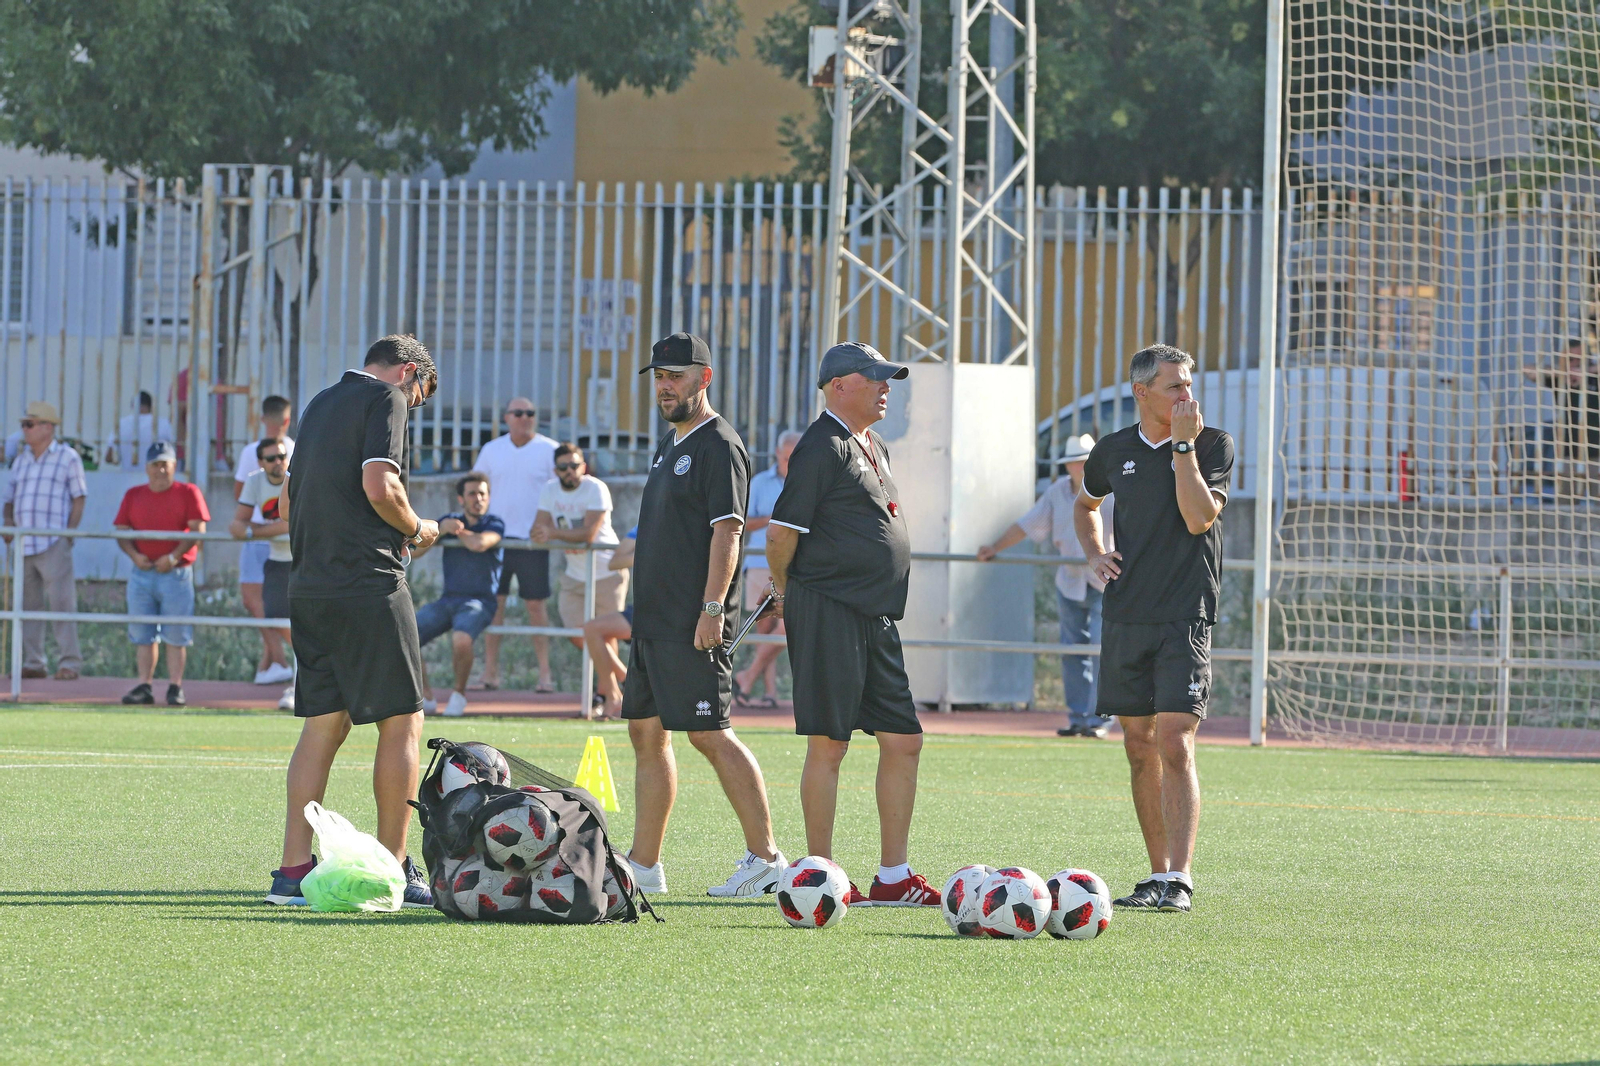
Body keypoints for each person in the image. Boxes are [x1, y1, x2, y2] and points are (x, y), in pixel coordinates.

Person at [266, 335, 440, 908]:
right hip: (368, 584)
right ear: (409, 373)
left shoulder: (318, 403)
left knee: (323, 727)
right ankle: (394, 867)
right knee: (403, 722)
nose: (413, 407)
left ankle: (292, 873)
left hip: (309, 586)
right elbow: (380, 485)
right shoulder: (385, 398)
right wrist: (418, 529)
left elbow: (286, 504)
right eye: (419, 396)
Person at [765, 341, 940, 907]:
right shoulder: (821, 445)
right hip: (829, 609)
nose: (886, 388)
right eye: (875, 378)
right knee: (829, 743)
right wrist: (786, 593)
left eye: (887, 378)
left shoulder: (873, 442)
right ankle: (820, 875)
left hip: (875, 614)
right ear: (839, 386)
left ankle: (894, 876)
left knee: (904, 740)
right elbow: (780, 534)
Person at [620, 332, 786, 898]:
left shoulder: (720, 445)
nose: (665, 387)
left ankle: (766, 860)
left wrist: (712, 608)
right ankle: (644, 865)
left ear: (704, 378)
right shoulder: (669, 444)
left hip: (692, 621)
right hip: (653, 619)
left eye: (676, 376)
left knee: (710, 733)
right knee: (646, 733)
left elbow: (728, 531)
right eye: (659, 377)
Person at [1075, 343, 1233, 915]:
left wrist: (1183, 448)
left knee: (1175, 741)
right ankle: (1156, 874)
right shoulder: (1113, 450)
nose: (1187, 394)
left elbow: (1198, 517)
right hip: (1126, 615)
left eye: (1189, 383)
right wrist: (1095, 553)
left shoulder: (1212, 444)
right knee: (1138, 745)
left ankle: (1180, 880)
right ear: (1142, 392)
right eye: (1175, 386)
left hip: (1185, 613)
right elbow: (1085, 504)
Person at [978, 432, 1115, 738]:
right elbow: (1028, 524)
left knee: (1102, 650)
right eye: (1074, 462)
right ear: (1066, 466)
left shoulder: (1112, 491)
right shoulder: (1057, 493)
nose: (1079, 467)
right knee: (1072, 652)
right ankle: (1079, 717)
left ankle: (1100, 719)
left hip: (1106, 581)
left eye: (1084, 461)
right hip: (1070, 581)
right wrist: (995, 547)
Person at [113, 442, 209, 707]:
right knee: (142, 633)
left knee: (177, 634)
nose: (160, 470)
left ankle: (175, 687)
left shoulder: (188, 492)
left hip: (176, 573)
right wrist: (135, 557)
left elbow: (198, 530)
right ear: (147, 468)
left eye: (165, 464)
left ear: (174, 466)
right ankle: (144, 685)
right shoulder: (133, 495)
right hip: (142, 572)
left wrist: (173, 557)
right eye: (155, 464)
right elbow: (121, 531)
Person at [473, 397, 559, 691]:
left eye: (530, 413)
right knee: (494, 607)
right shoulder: (491, 450)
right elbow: (476, 488)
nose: (525, 418)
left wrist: (554, 529)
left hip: (532, 542)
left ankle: (545, 675)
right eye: (518, 413)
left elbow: (562, 493)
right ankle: (490, 674)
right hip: (495, 540)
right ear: (506, 418)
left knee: (536, 607)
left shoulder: (550, 450)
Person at [2, 401, 87, 681]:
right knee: (27, 606)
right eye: (24, 425)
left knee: (62, 603)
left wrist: (69, 535)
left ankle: (69, 662)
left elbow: (79, 497)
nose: (24, 430)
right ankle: (33, 661)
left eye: (29, 424)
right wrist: (9, 523)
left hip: (53, 541)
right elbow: (9, 499)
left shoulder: (68, 457)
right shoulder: (21, 460)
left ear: (47, 427)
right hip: (23, 544)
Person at [411, 472, 504, 719]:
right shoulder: (448, 520)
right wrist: (441, 530)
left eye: (482, 494)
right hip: (448, 600)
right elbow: (414, 552)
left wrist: (458, 532)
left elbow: (479, 543)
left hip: (480, 602)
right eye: (472, 493)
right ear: (461, 499)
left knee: (461, 640)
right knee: (406, 634)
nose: (478, 498)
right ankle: (426, 696)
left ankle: (458, 695)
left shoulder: (495, 522)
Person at [532, 443, 623, 651]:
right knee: (574, 632)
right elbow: (537, 530)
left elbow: (588, 535)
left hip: (607, 572)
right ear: (556, 471)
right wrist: (541, 533)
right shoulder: (549, 489)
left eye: (574, 466)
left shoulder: (596, 487)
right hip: (574, 575)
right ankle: (610, 669)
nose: (569, 471)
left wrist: (551, 533)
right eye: (563, 467)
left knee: (607, 635)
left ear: (583, 466)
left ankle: (607, 673)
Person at [733, 429, 801, 708]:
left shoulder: (807, 481)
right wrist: (776, 519)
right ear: (777, 453)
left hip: (795, 565)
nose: (790, 463)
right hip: (761, 563)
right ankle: (769, 693)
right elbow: (742, 523)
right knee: (765, 629)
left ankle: (747, 677)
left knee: (787, 626)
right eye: (787, 457)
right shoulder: (760, 482)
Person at [230, 438, 295, 711]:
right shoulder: (255, 481)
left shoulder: (297, 477)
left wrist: (255, 531)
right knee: (274, 617)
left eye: (282, 456)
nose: (278, 462)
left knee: (306, 623)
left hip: (304, 559)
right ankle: (308, 671)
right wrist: (257, 530)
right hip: (277, 560)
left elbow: (294, 523)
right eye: (271, 458)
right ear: (260, 463)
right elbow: (237, 525)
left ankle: (303, 682)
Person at [1523, 338, 1598, 496]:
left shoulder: (1595, 377)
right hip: (1568, 452)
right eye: (1570, 359)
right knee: (1566, 501)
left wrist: (1587, 372)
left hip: (1596, 453)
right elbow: (1527, 370)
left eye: (1580, 360)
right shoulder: (1560, 379)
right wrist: (1564, 372)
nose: (1576, 364)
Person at [583, 526, 637, 719]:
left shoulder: (695, 523)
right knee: (592, 629)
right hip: (649, 609)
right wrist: (650, 553)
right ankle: (614, 696)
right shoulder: (647, 524)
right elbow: (615, 562)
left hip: (681, 609)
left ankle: (632, 688)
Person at [107, 391, 176, 470]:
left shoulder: (120, 424)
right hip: (156, 474)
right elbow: (176, 451)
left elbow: (109, 457)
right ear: (151, 406)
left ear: (132, 406)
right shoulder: (164, 424)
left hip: (127, 475)